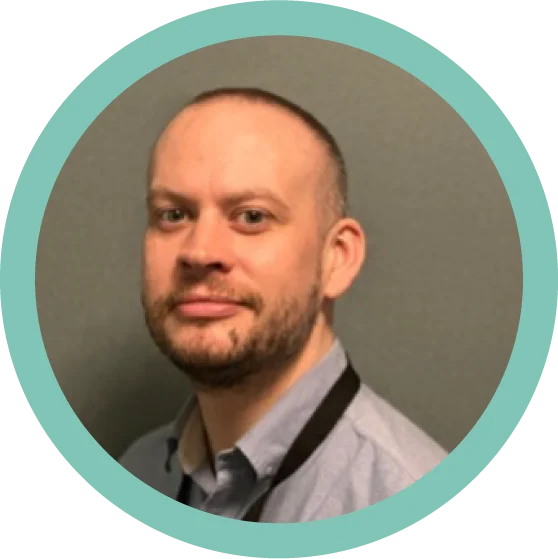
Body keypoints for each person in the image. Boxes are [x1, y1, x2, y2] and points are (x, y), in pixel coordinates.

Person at [118, 86, 448, 523]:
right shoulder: (138, 473)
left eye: (252, 216)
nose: (199, 252)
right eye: (173, 214)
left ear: (336, 259)